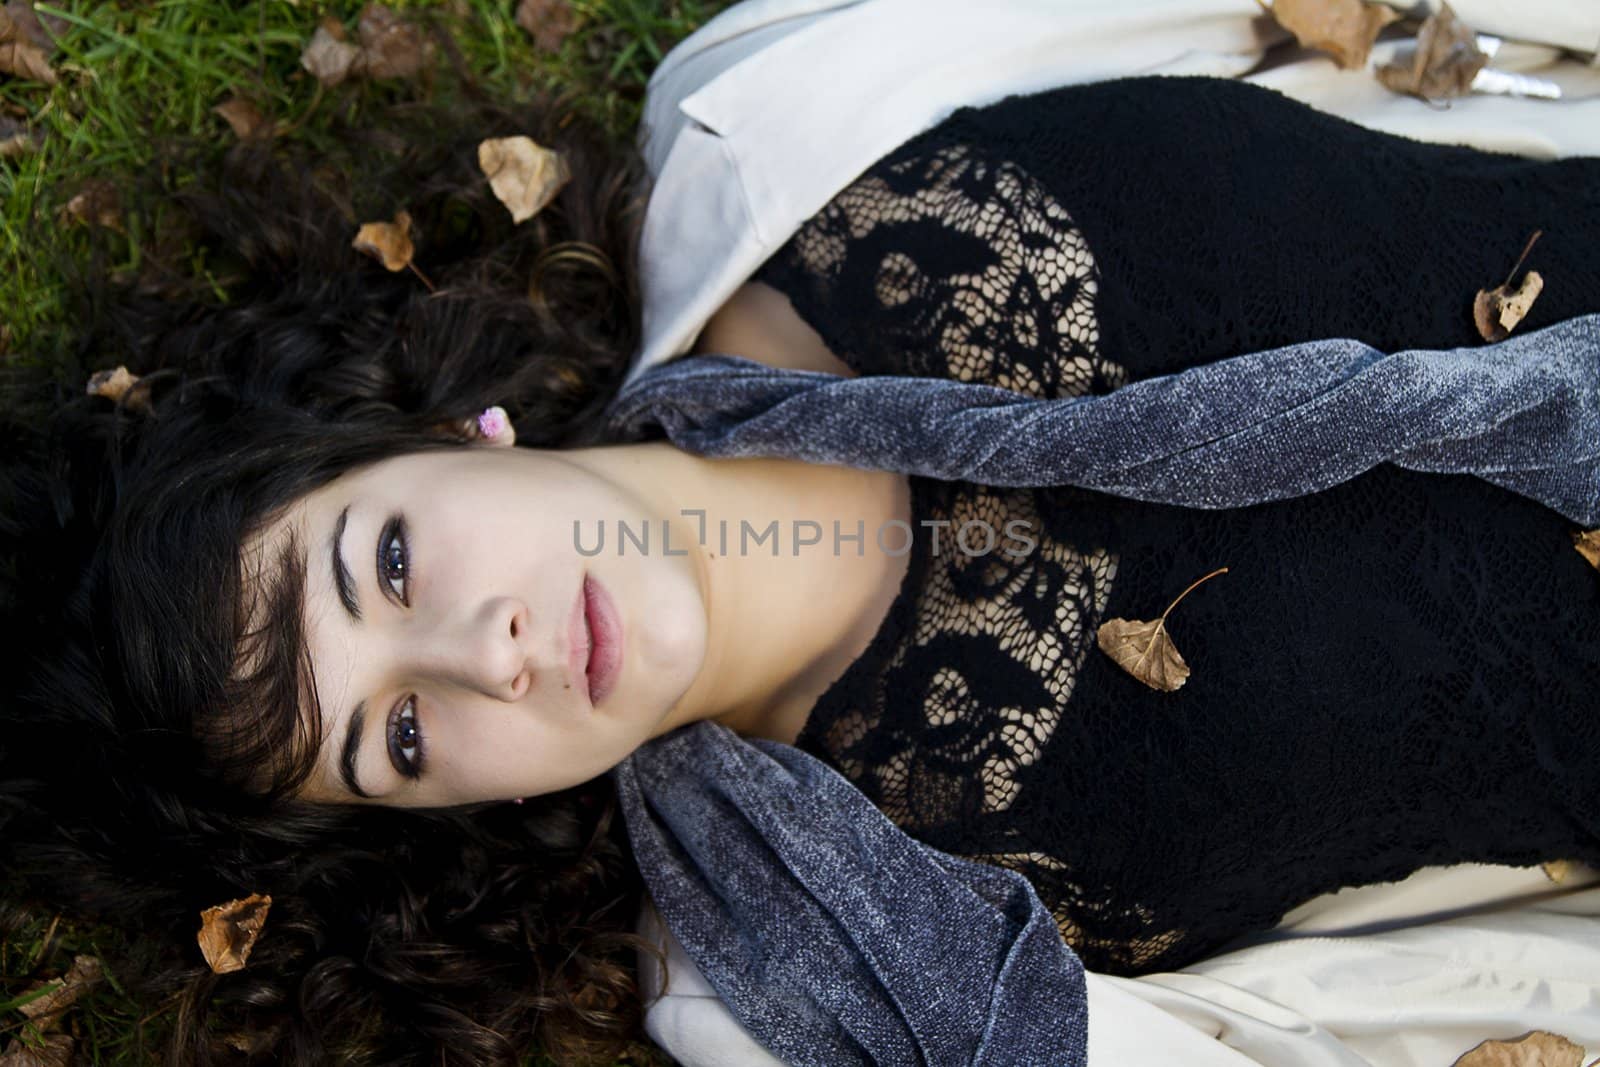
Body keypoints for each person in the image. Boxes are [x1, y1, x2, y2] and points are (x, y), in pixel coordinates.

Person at [2, 38, 1598, 1067]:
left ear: (432, 431)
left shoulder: (785, 108)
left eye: (393, 568)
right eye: (401, 736)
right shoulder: (818, 971)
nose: (487, 653)